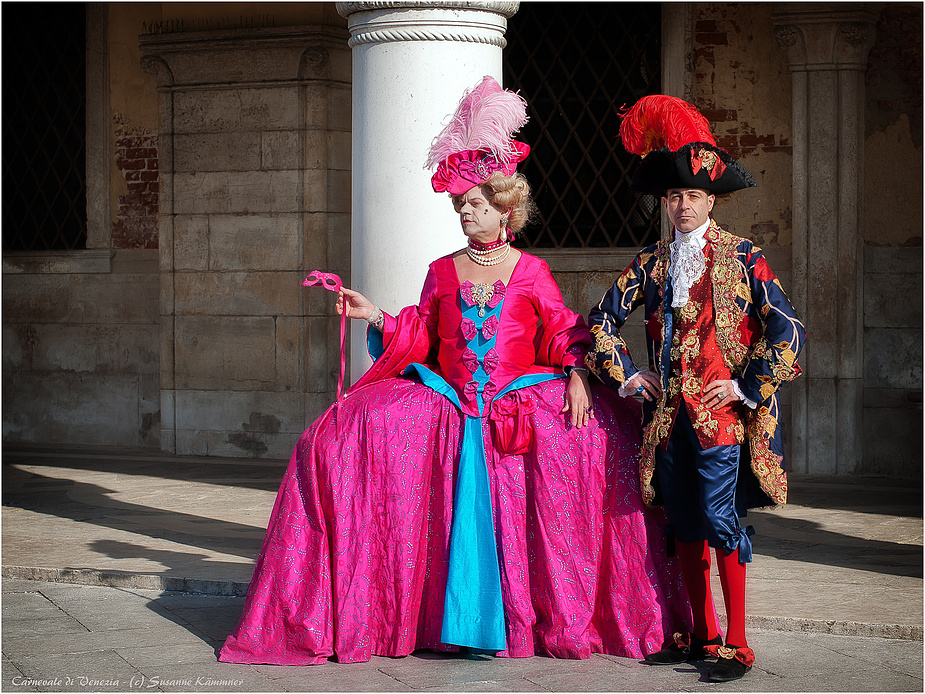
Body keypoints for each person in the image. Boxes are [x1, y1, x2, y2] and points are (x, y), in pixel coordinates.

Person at [219, 77, 690, 666]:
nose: (465, 213)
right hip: (448, 400)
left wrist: (575, 375)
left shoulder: (532, 271)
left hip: (515, 401)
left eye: (475, 204)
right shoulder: (442, 271)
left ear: (505, 208)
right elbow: (421, 335)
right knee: (334, 439)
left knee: (600, 443)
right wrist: (378, 317)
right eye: (460, 205)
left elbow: (566, 331)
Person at [586, 95, 806, 682]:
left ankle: (736, 640)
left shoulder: (743, 256)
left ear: (712, 200)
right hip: (666, 416)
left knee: (717, 516)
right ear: (665, 202)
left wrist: (744, 385)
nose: (683, 205)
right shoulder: (652, 262)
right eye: (675, 196)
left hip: (720, 415)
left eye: (694, 196)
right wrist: (630, 376)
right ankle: (700, 635)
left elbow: (788, 330)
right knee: (682, 518)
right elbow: (599, 322)